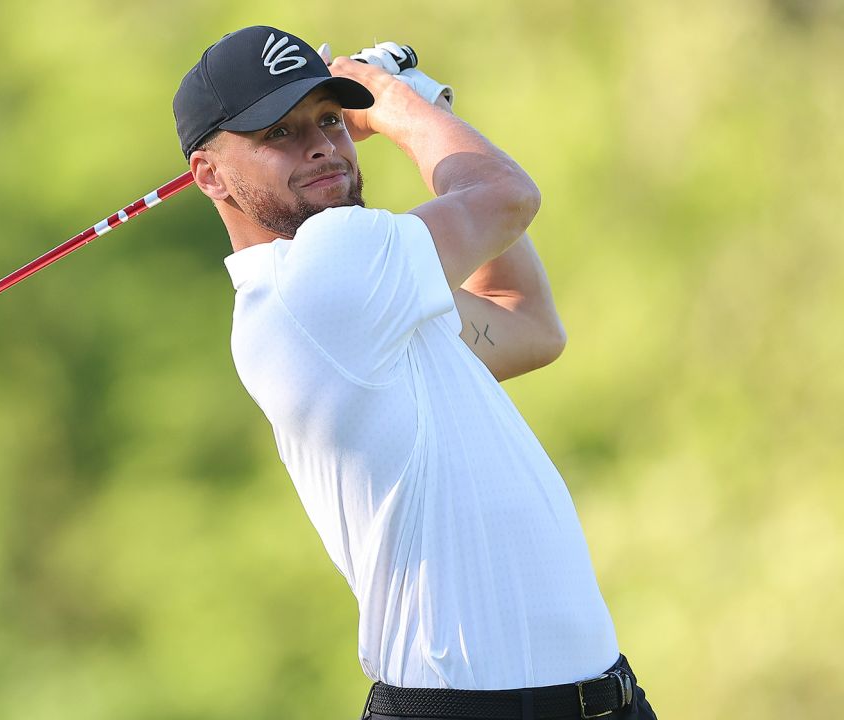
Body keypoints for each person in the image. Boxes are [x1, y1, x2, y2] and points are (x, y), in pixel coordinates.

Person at [172, 26, 657, 720]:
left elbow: (526, 322)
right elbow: (507, 196)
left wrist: (423, 106)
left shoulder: (367, 295)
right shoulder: (322, 273)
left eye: (331, 119)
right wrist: (397, 103)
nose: (320, 145)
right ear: (210, 174)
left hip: (602, 698)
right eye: (278, 132)